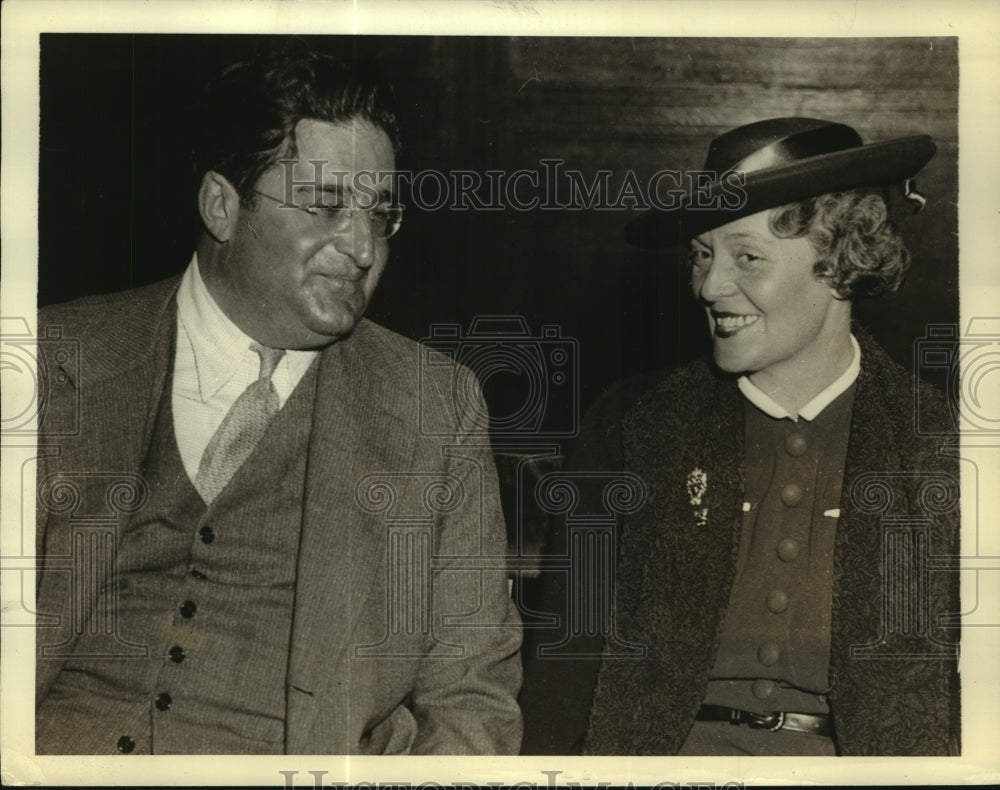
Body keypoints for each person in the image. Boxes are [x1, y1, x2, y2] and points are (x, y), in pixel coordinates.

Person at [34, 48, 522, 755]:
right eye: (326, 204)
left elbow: (471, 696)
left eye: (380, 214)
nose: (361, 246)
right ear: (222, 206)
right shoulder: (53, 359)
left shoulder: (433, 407)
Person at [520, 117, 960, 756]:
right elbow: (566, 665)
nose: (709, 286)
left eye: (746, 257)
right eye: (702, 253)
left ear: (840, 260)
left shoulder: (943, 442)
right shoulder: (633, 424)